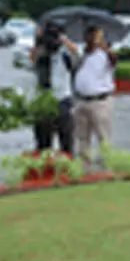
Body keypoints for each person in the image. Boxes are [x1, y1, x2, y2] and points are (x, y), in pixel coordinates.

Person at [30, 21, 79, 155]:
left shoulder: (65, 55)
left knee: (66, 140)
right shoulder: (41, 53)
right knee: (43, 142)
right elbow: (32, 59)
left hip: (62, 98)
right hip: (43, 99)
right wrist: (39, 41)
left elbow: (76, 56)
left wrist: (63, 40)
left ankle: (67, 166)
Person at [72, 25, 116, 165]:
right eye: (89, 37)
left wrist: (104, 46)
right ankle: (84, 161)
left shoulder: (104, 55)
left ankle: (106, 161)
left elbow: (114, 59)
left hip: (99, 100)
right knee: (82, 135)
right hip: (81, 100)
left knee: (103, 134)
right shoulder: (82, 54)